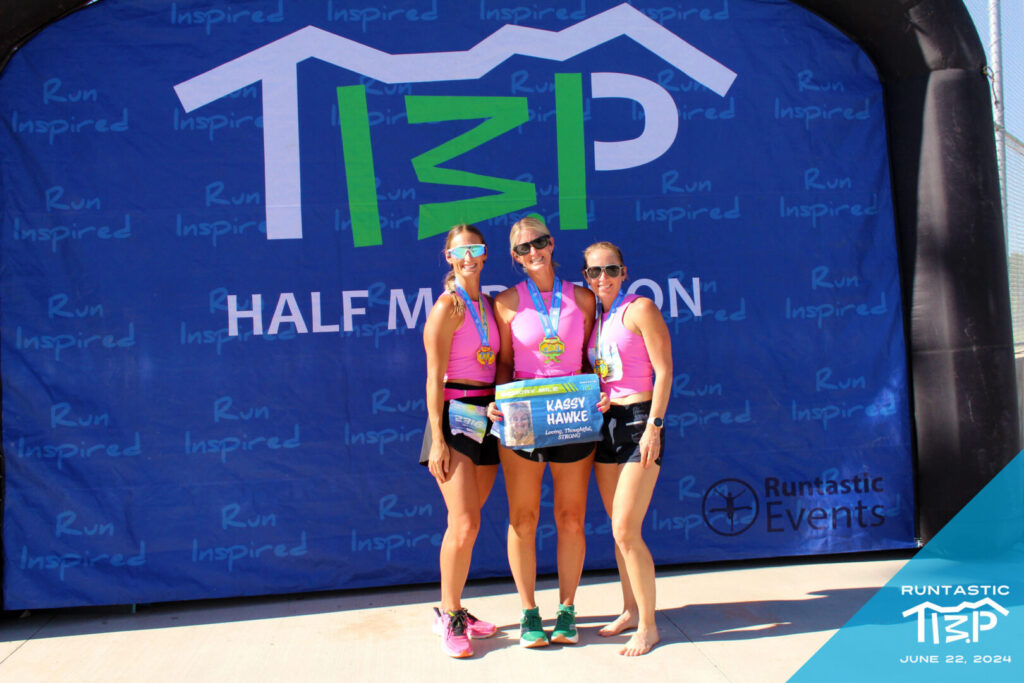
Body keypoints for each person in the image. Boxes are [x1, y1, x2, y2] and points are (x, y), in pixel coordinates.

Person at [487, 216, 607, 648]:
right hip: (522, 419)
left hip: (573, 414)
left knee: (571, 518)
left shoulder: (583, 298)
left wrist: (604, 393)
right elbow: (501, 364)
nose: (532, 251)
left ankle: (568, 609)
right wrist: (496, 401)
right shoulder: (503, 303)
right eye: (522, 248)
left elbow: (596, 357)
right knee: (524, 518)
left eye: (538, 242)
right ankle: (528, 613)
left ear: (552, 243)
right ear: (514, 257)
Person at [583, 241, 672, 656]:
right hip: (607, 426)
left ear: (623, 271)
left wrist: (654, 425)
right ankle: (630, 610)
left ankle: (650, 627)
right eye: (594, 272)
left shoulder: (640, 308)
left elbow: (664, 369)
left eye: (610, 270)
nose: (602, 278)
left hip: (639, 424)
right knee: (618, 533)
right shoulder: (598, 319)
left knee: (625, 530)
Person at [420, 224, 500, 658]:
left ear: (485, 255)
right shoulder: (447, 306)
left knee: (467, 525)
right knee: (464, 523)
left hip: (486, 418)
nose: (469, 256)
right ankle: (447, 615)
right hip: (453, 419)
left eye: (476, 248)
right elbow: (433, 378)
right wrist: (437, 439)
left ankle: (457, 607)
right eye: (460, 250)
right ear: (449, 257)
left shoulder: (487, 304)